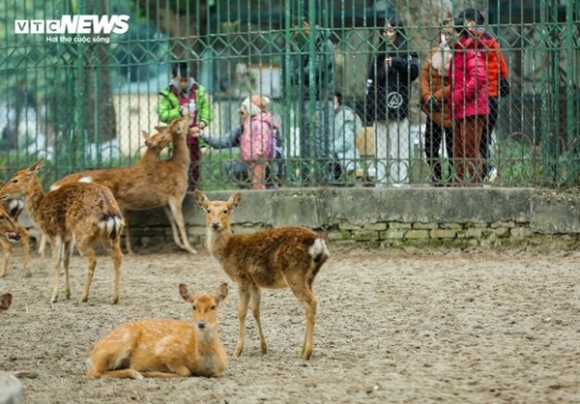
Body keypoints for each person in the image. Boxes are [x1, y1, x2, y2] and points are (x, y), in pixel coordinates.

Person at [365, 16, 419, 187]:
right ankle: (382, 180)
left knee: (399, 148)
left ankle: (400, 180)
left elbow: (414, 71)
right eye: (384, 31)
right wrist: (369, 106)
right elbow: (371, 81)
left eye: (391, 30)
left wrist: (398, 63)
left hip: (398, 106)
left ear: (398, 31)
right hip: (380, 108)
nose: (387, 34)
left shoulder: (406, 51)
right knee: (381, 149)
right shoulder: (379, 54)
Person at [459, 8, 510, 183]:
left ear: (471, 23)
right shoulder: (492, 40)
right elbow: (503, 69)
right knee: (483, 139)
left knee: (474, 140)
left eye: (465, 23)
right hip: (492, 96)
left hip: (477, 98)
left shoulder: (467, 42)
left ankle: (486, 171)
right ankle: (485, 172)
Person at [199, 96, 283, 189]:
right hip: (259, 164)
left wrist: (257, 154)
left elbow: (268, 148)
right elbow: (222, 142)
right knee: (233, 165)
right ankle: (249, 189)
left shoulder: (265, 126)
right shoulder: (245, 128)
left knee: (257, 179)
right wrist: (203, 135)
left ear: (251, 112)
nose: (240, 115)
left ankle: (256, 189)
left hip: (266, 164)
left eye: (242, 112)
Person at [290, 13, 335, 185]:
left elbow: (313, 71)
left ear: (305, 25)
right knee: (307, 140)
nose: (294, 31)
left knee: (322, 139)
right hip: (305, 98)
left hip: (321, 98)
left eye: (296, 27)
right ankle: (308, 176)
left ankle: (326, 178)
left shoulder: (324, 44)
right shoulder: (301, 45)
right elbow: (292, 73)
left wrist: (298, 74)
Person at [447, 17, 489, 185]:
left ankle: (475, 184)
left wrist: (458, 96)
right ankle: (457, 183)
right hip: (460, 108)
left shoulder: (470, 50)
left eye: (449, 33)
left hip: (473, 108)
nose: (446, 37)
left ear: (458, 34)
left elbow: (479, 77)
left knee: (470, 149)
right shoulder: (458, 52)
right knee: (458, 149)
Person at [158, 62, 211, 191]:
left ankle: (193, 190)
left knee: (195, 166)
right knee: (177, 168)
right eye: (180, 80)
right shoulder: (168, 93)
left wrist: (202, 122)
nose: (183, 84)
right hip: (177, 139)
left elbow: (207, 110)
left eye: (186, 80)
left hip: (194, 137)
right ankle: (178, 191)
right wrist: (178, 112)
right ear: (173, 78)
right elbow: (162, 114)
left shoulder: (198, 90)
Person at [420, 19, 454, 186]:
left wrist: (438, 96)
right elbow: (424, 76)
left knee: (452, 149)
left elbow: (455, 84)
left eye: (449, 33)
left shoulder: (458, 54)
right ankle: (437, 176)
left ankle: (452, 178)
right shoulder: (434, 52)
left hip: (450, 109)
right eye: (443, 33)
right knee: (430, 148)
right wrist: (427, 96)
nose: (445, 37)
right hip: (432, 111)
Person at [333, 91, 363, 181]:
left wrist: (328, 148)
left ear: (338, 101)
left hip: (341, 154)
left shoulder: (344, 116)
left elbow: (346, 142)